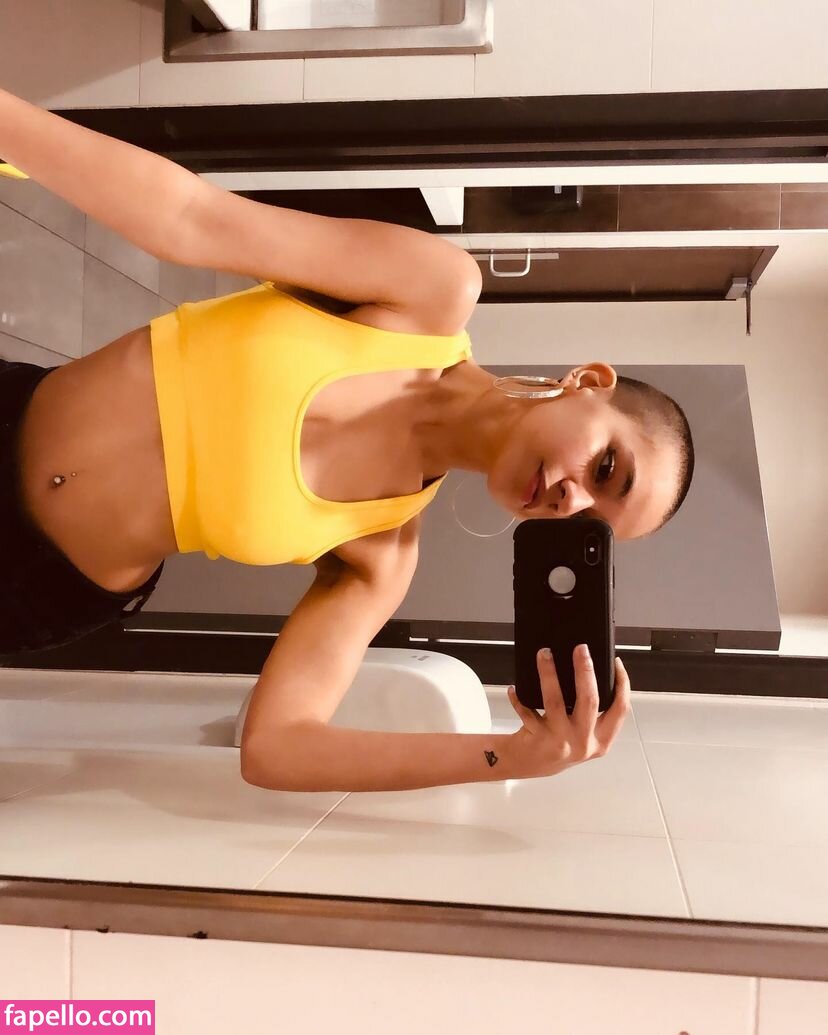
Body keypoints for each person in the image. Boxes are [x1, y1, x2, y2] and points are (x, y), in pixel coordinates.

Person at [0, 88, 693, 794]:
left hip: (30, 585)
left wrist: (507, 757)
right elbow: (192, 218)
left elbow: (276, 747)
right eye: (606, 468)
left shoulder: (382, 554)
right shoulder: (430, 293)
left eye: (589, 523)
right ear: (588, 381)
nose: (572, 501)